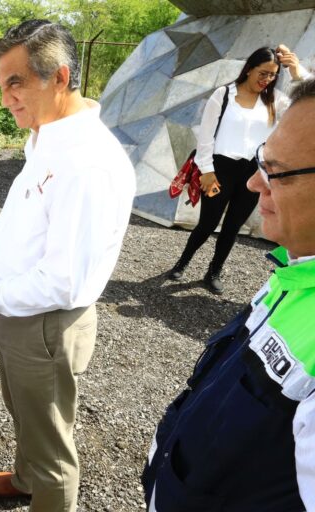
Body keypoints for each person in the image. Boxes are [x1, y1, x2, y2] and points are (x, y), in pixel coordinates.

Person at [0, 20, 135, 511]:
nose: (6, 98)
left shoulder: (87, 163)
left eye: (16, 83)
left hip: (46, 324)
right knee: (26, 413)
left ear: (60, 76)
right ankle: (28, 479)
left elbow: (64, 282)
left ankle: (43, 486)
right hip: (19, 313)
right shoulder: (47, 134)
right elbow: (36, 210)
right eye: (1, 84)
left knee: (53, 445)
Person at [143, 78, 315, 511]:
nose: (257, 184)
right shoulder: (294, 274)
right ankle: (185, 265)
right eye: (262, 163)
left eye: (275, 172)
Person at [168, 47, 290, 294]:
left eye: (272, 75)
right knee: (207, 223)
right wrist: (206, 171)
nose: (266, 80)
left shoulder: (275, 101)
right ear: (249, 69)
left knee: (233, 226)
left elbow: (303, 106)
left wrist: (296, 71)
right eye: (263, 73)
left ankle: (214, 272)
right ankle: (182, 263)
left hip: (253, 174)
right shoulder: (223, 95)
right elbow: (206, 137)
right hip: (219, 169)